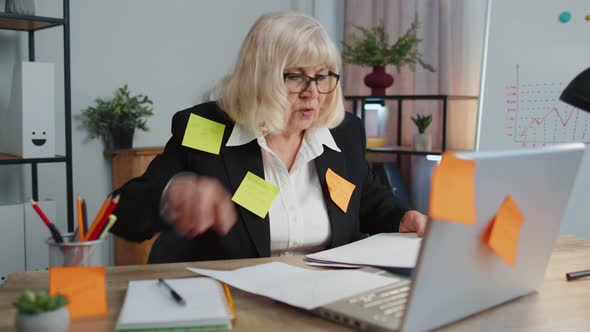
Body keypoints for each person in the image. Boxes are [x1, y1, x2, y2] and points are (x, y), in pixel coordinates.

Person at [110, 12, 428, 264]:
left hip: (323, 300)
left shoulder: (344, 133)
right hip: (231, 303)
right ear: (259, 77)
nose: (313, 93)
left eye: (322, 76)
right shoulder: (208, 128)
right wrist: (172, 193)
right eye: (296, 77)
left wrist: (402, 217)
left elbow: (368, 197)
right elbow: (122, 211)